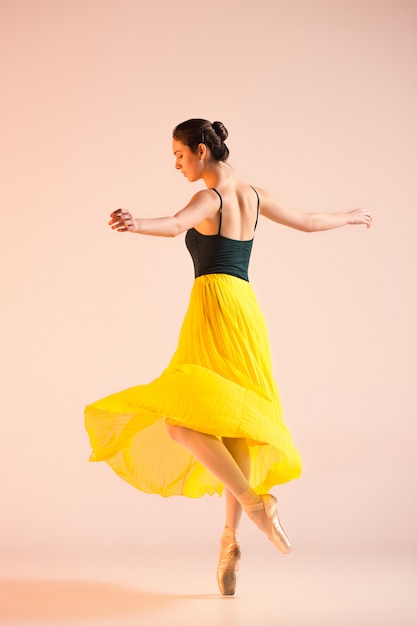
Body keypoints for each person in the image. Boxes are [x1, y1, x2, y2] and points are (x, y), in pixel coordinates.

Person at [84, 118, 372, 596]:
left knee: (182, 423)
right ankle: (229, 540)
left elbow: (175, 225)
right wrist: (349, 215)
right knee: (232, 421)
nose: (176, 166)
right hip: (246, 310)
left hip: (213, 307)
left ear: (201, 150)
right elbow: (307, 222)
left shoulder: (209, 198)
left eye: (179, 156)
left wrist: (137, 224)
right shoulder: (254, 195)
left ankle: (258, 508)